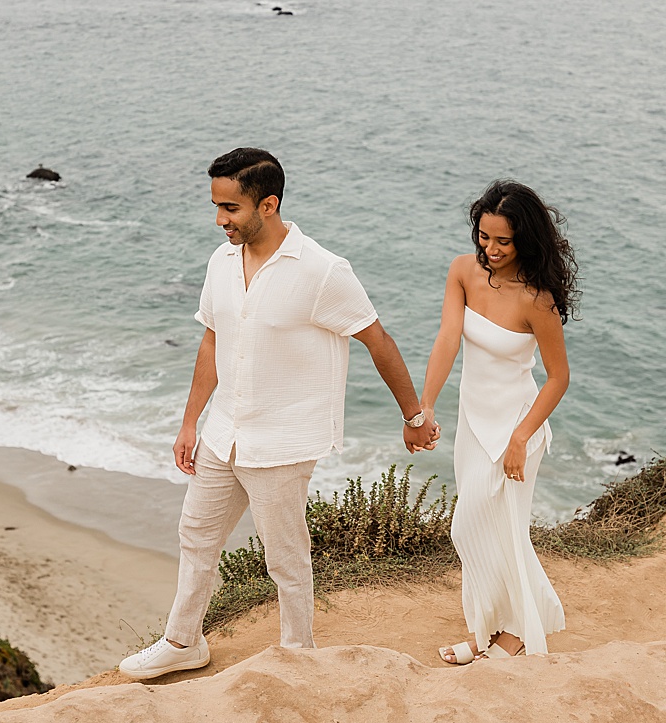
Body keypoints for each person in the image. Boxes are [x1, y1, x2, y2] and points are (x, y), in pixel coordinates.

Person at [119, 147, 439, 680]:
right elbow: (211, 339)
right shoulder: (221, 261)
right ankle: (182, 641)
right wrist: (189, 421)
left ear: (268, 204)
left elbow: (377, 339)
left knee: (284, 555)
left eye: (231, 209)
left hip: (284, 439)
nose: (220, 220)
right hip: (224, 432)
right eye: (216, 207)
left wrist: (414, 416)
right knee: (195, 535)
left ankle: (298, 654)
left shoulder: (322, 270)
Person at [420, 180, 578, 663]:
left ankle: (512, 632)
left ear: (525, 240)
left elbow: (558, 377)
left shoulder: (538, 298)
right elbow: (449, 338)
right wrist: (425, 406)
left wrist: (521, 436)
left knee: (494, 530)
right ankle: (487, 628)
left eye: (502, 241)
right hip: (473, 423)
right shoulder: (463, 272)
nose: (490, 249)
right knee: (475, 532)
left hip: (516, 427)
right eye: (483, 237)